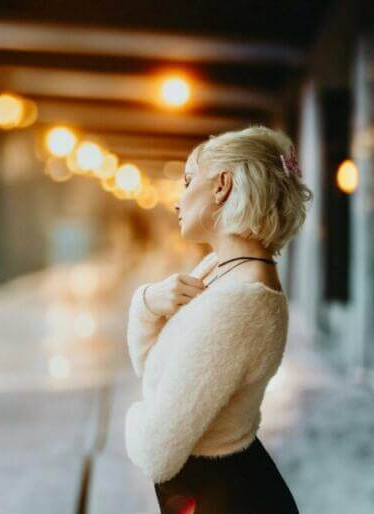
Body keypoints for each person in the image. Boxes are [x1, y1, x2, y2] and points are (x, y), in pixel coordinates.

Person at [125, 125, 313, 513]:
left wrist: (134, 415)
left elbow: (156, 453)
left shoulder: (239, 303)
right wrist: (146, 303)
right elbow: (153, 370)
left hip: (226, 498)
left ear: (222, 185)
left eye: (188, 180)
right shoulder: (218, 270)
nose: (178, 201)